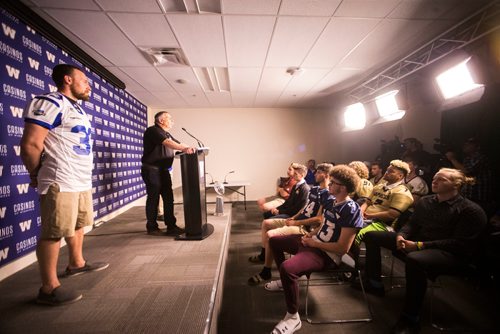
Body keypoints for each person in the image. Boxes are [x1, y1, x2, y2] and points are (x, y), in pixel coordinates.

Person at [20, 64, 109, 306]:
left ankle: (76, 263)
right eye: (84, 80)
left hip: (79, 178)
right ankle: (48, 288)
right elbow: (31, 144)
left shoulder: (76, 108)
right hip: (60, 178)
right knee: (54, 231)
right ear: (68, 80)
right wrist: (36, 173)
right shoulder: (50, 101)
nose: (88, 85)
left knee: (78, 224)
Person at [358, 168, 487, 334]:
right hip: (420, 243)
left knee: (415, 259)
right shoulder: (426, 201)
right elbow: (412, 224)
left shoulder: (470, 210)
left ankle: (410, 319)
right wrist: (401, 236)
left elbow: (459, 244)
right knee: (372, 236)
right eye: (434, 178)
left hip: (452, 254)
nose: (435, 181)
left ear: (456, 184)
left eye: (441, 179)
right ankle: (374, 283)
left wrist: (419, 245)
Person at [267, 165, 364, 334]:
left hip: (328, 255)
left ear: (342, 187)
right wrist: (310, 235)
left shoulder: (351, 209)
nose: (329, 184)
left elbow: (342, 248)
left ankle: (292, 317)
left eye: (333, 182)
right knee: (275, 241)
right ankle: (286, 283)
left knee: (287, 268)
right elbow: (324, 225)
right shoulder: (333, 201)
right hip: (315, 244)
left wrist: (314, 244)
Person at [247, 163, 333, 286]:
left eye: (318, 172)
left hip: (305, 228)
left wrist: (295, 222)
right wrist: (293, 217)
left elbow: (319, 219)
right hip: (297, 220)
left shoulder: (326, 194)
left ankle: (269, 271)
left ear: (326, 175)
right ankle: (268, 261)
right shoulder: (314, 189)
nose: (314, 174)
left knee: (271, 235)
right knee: (266, 223)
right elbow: (303, 209)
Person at [141, 111, 195, 235]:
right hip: (152, 170)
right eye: (169, 118)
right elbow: (168, 143)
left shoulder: (166, 133)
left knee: (168, 198)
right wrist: (184, 149)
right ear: (160, 121)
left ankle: (171, 226)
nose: (172, 121)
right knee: (154, 198)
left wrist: (192, 148)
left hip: (163, 171)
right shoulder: (153, 131)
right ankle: (152, 227)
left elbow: (179, 143)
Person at [355, 160, 414, 245]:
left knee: (357, 232)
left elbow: (391, 215)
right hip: (367, 218)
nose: (386, 173)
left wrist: (369, 216)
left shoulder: (402, 192)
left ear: (400, 176)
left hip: (383, 224)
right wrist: (360, 212)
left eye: (391, 172)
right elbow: (367, 203)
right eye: (387, 170)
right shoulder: (378, 187)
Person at [445, 137, 494, 216]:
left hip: (479, 197)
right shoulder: (467, 158)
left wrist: (452, 159)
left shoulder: (481, 158)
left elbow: (467, 171)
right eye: (465, 144)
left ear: (477, 147)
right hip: (468, 195)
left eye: (469, 144)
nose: (465, 145)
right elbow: (463, 175)